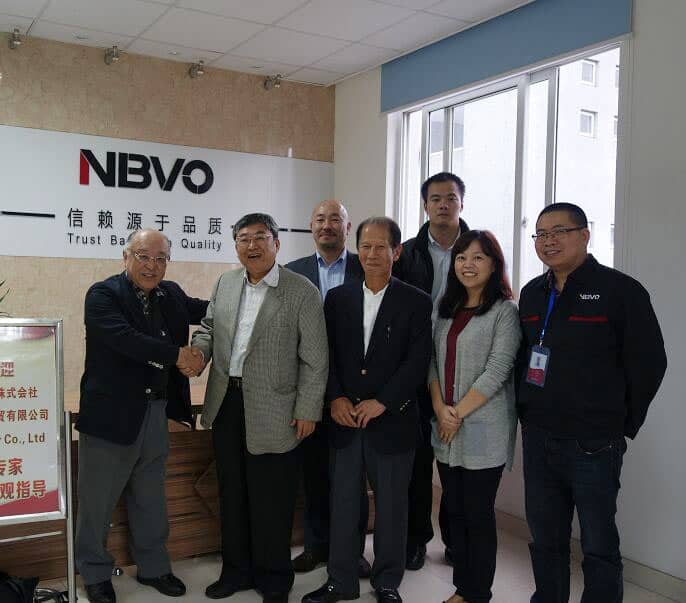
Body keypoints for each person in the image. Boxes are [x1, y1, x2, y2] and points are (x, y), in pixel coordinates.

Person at [517, 203, 667, 603]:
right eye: (541, 234)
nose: (548, 241)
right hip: (539, 437)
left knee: (598, 543)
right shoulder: (532, 294)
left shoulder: (620, 291)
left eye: (559, 232)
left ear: (585, 235)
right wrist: (526, 412)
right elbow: (524, 359)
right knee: (545, 538)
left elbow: (650, 363)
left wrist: (621, 423)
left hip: (594, 442)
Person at [191, 213, 328, 603]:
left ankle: (274, 579)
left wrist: (308, 409)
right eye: (243, 238)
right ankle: (235, 572)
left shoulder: (301, 291)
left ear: (276, 244)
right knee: (232, 494)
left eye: (260, 237)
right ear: (236, 245)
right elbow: (209, 328)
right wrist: (199, 353)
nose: (251, 245)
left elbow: (315, 359)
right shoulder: (226, 283)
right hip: (227, 401)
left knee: (272, 499)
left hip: (276, 408)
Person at [303, 217, 432, 603]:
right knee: (344, 503)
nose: (372, 254)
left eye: (381, 247)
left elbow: (417, 362)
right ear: (356, 250)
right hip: (344, 419)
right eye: (365, 246)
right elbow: (324, 355)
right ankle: (340, 579)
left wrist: (383, 402)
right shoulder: (338, 299)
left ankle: (387, 580)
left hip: (392, 420)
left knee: (392, 506)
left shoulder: (416, 301)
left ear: (397, 251)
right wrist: (335, 398)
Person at [75, 229, 208, 603]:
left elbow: (214, 310)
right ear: (125, 256)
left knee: (150, 497)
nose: (152, 266)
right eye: (143, 256)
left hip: (156, 412)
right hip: (110, 415)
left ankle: (154, 567)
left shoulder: (171, 294)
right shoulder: (103, 295)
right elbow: (126, 339)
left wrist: (247, 288)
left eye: (161, 258)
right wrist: (178, 355)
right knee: (97, 502)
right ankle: (95, 573)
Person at [428, 230, 521, 603]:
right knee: (456, 512)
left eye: (478, 257)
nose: (468, 264)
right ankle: (462, 589)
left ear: (494, 265)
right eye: (462, 257)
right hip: (446, 427)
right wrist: (440, 409)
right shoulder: (446, 308)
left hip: (482, 427)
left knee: (477, 515)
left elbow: (498, 369)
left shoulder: (504, 312)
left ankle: (476, 592)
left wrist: (456, 414)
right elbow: (431, 363)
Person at [285, 200, 371, 577]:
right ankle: (315, 547)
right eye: (320, 219)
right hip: (308, 391)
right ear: (311, 226)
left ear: (347, 228)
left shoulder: (365, 269)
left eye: (335, 219)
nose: (327, 225)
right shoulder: (293, 271)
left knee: (353, 478)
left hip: (353, 391)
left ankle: (352, 551)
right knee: (314, 475)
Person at [393, 171, 470, 569]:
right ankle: (416, 539)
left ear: (461, 203)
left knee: (457, 463)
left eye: (450, 198)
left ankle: (457, 541)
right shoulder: (405, 253)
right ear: (425, 206)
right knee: (418, 462)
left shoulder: (478, 249)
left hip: (463, 364)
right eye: (435, 199)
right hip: (417, 365)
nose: (443, 204)